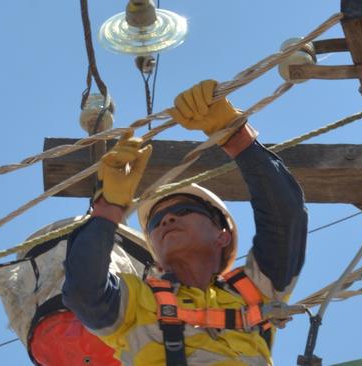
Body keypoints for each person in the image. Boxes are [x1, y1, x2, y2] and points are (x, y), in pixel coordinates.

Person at [62, 80, 308, 366]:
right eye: (155, 222)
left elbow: (285, 217)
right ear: (154, 253)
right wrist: (108, 210)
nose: (167, 219)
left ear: (222, 235)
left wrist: (236, 136)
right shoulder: (138, 302)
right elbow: (83, 291)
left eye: (185, 209)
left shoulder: (254, 291)